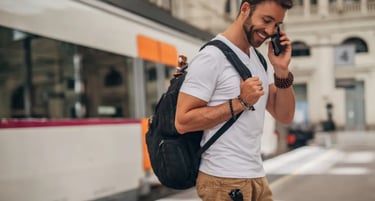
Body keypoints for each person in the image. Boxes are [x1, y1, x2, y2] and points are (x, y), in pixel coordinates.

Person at [175, 0, 295, 201]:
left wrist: (281, 70)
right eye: (266, 20)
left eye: (276, 25)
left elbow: (285, 115)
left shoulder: (259, 60)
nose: (270, 31)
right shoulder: (211, 57)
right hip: (223, 180)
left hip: (256, 176)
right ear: (245, 9)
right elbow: (182, 121)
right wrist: (240, 102)